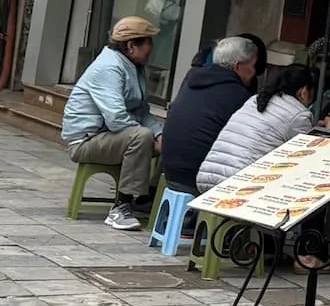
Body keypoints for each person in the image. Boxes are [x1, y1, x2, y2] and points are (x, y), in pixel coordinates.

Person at [61, 16, 162, 231]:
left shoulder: (134, 66)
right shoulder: (109, 67)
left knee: (165, 137)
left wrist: (160, 135)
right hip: (88, 139)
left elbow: (141, 112)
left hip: (112, 135)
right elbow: (116, 119)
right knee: (141, 136)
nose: (151, 48)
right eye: (148, 43)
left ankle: (145, 197)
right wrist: (149, 136)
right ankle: (121, 207)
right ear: (131, 46)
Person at [197, 66, 330, 192]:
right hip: (239, 186)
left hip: (207, 177)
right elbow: (311, 160)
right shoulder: (299, 114)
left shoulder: (255, 100)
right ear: (303, 92)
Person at [159, 37, 260, 194]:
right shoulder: (238, 95)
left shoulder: (192, 80)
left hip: (170, 171)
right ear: (238, 66)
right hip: (198, 178)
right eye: (253, 66)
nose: (254, 73)